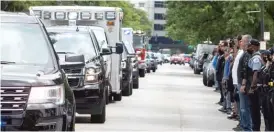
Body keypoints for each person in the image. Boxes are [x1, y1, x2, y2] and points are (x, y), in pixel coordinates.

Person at [238, 35, 253, 131]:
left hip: (245, 84)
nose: (240, 43)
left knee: (245, 108)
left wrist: (243, 84)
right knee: (242, 107)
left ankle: (247, 128)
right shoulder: (244, 53)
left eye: (242, 41)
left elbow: (245, 71)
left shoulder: (247, 54)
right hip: (241, 83)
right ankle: (244, 126)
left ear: (247, 42)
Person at [230, 35, 243, 131]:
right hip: (236, 81)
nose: (236, 44)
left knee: (242, 105)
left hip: (239, 81)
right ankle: (241, 121)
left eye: (237, 42)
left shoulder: (242, 53)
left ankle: (243, 123)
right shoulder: (239, 52)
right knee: (238, 102)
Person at [216, 41, 228, 107]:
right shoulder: (220, 54)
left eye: (222, 46)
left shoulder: (225, 55)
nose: (220, 47)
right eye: (220, 46)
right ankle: (222, 100)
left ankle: (224, 102)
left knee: (224, 90)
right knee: (221, 89)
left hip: (222, 74)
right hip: (219, 74)